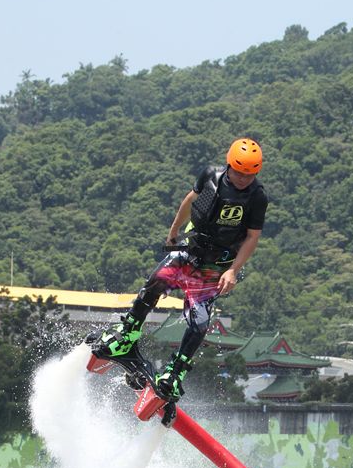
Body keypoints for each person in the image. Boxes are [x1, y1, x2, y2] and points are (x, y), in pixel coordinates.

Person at [89, 138, 268, 403]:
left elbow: (252, 237)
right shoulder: (211, 176)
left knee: (199, 323)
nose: (244, 179)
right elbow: (190, 199)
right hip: (191, 251)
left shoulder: (257, 197)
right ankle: (127, 335)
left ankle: (174, 373)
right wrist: (173, 231)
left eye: (249, 174)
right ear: (229, 165)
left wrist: (232, 271)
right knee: (155, 282)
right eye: (240, 172)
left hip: (216, 266)